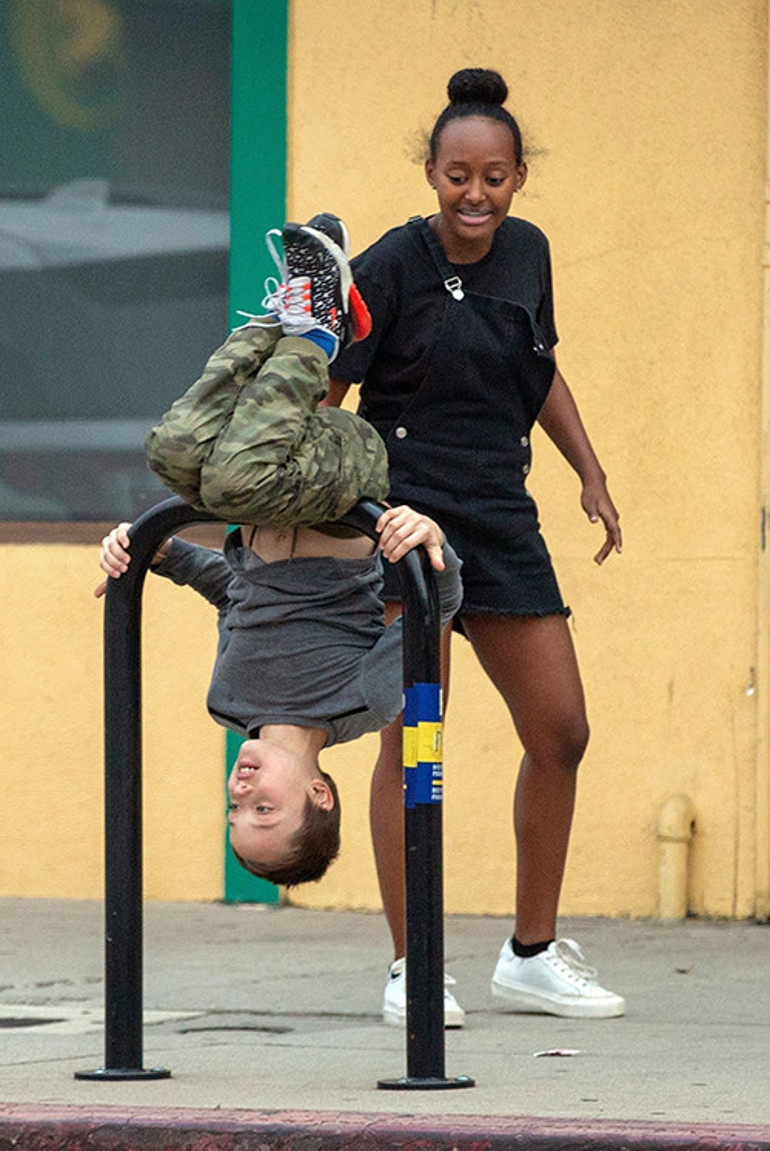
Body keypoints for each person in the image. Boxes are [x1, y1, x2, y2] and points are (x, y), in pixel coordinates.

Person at [326, 69, 625, 1026]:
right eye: (458, 175)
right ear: (431, 172)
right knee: (416, 742)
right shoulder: (387, 266)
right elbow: (327, 394)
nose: (475, 194)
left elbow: (536, 368)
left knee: (562, 731)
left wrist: (590, 471)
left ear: (519, 179)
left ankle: (530, 954)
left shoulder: (528, 253)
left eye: (494, 177)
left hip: (500, 516)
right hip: (408, 524)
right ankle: (412, 965)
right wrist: (334, 512)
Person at [96, 215, 462, 889]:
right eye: (264, 806)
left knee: (172, 453)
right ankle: (320, 327)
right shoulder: (364, 702)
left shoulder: (227, 700)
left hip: (267, 478)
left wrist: (155, 552)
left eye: (236, 807)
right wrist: (429, 537)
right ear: (319, 792)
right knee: (237, 477)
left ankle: (282, 317)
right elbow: (438, 599)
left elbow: (234, 590)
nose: (243, 788)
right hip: (339, 469)